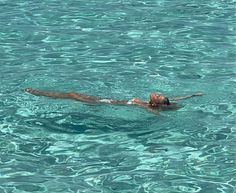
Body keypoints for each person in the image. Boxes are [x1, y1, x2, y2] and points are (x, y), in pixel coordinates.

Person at [25, 88, 204, 114]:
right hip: (109, 100)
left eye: (158, 96)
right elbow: (175, 99)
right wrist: (193, 96)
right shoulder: (156, 103)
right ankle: (39, 93)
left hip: (104, 103)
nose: (157, 93)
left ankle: (37, 93)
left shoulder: (148, 107)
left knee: (73, 96)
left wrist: (161, 117)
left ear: (155, 103)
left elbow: (156, 114)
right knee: (73, 94)